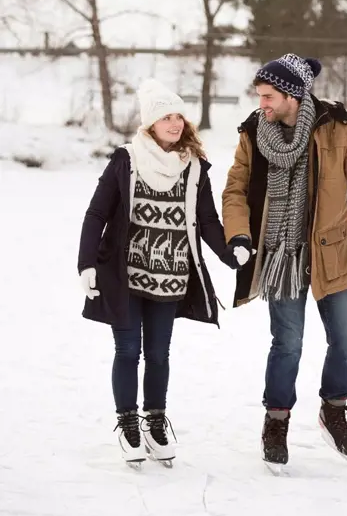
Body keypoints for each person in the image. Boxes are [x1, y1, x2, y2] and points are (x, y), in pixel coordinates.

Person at [222, 53, 347, 466]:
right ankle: (276, 420)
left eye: (268, 96)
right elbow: (235, 190)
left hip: (331, 252)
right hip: (282, 257)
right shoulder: (253, 133)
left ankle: (333, 409)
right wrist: (240, 234)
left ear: (292, 94)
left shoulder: (337, 126)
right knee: (287, 344)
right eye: (259, 95)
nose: (261, 103)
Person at [78, 79, 249, 467]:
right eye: (165, 117)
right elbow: (97, 213)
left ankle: (155, 420)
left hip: (171, 276)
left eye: (178, 116)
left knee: (158, 354)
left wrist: (229, 252)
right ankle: (128, 423)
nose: (174, 123)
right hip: (124, 277)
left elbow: (206, 219)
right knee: (128, 350)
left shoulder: (193, 167)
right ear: (150, 124)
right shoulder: (127, 160)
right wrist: (86, 262)